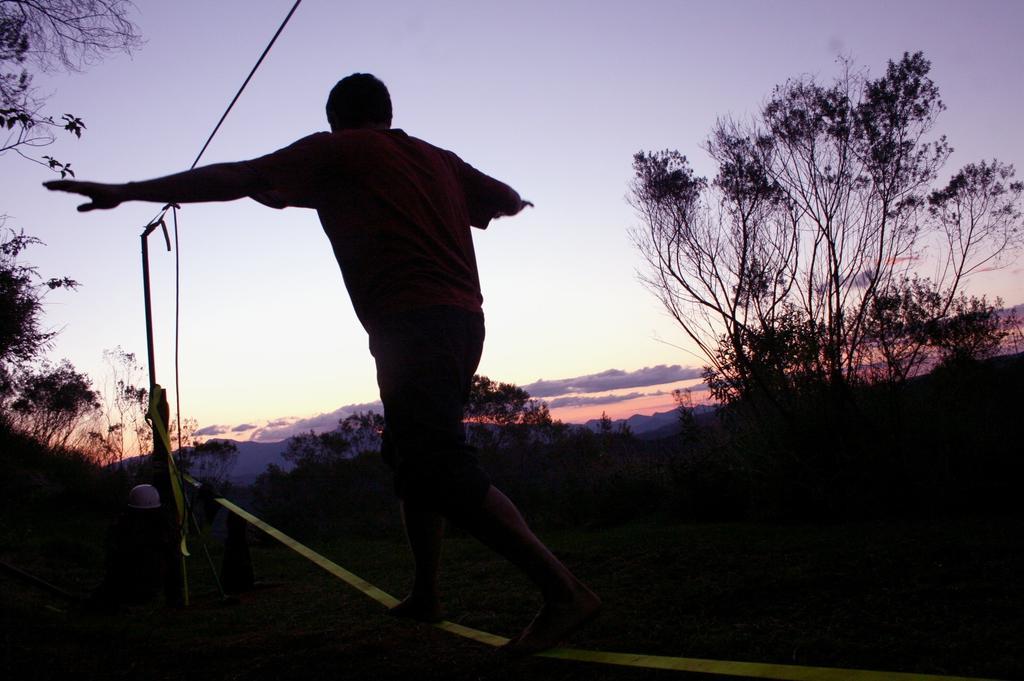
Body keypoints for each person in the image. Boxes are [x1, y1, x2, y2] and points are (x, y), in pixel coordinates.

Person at [46, 73, 599, 654]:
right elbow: (505, 199)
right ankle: (428, 593)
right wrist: (510, 204)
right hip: (454, 321)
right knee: (411, 459)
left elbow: (240, 176)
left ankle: (564, 594)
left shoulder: (338, 150)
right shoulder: (436, 158)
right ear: (387, 112)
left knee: (436, 464)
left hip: (415, 324)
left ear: (337, 118)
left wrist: (129, 190)